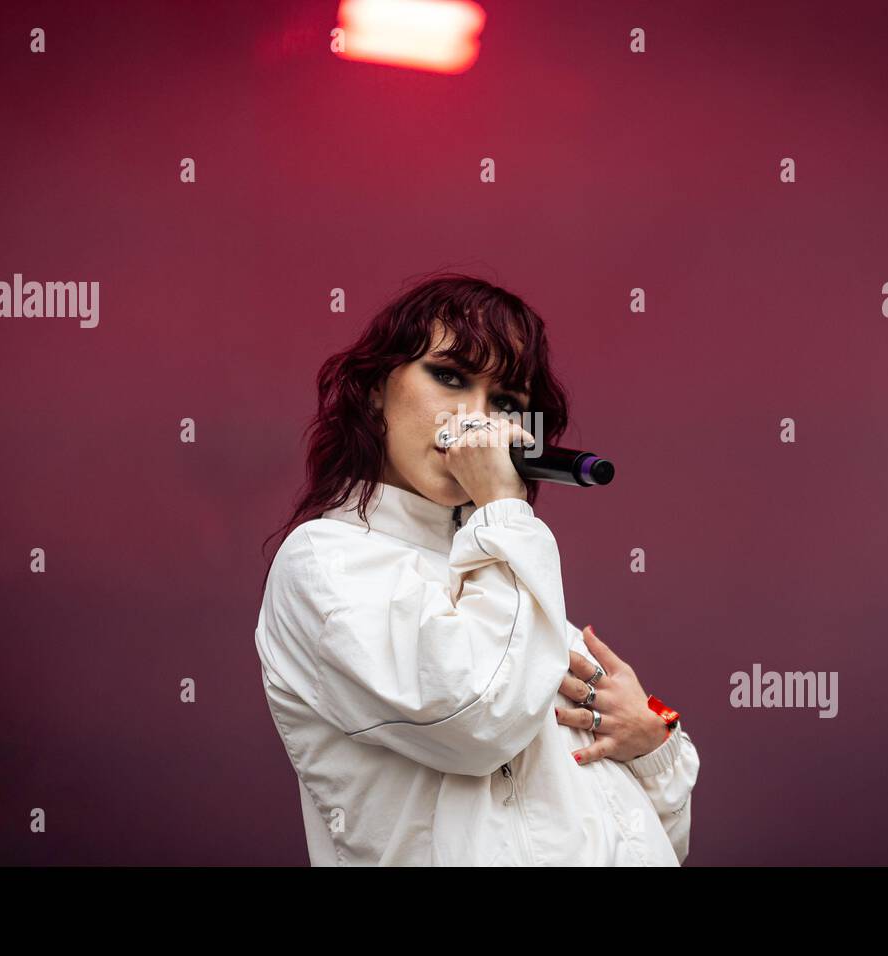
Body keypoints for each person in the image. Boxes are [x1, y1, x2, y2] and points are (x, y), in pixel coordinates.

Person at [254, 273, 700, 865]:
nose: (477, 420)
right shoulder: (324, 563)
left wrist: (653, 739)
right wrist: (503, 510)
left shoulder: (511, 582)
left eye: (506, 404)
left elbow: (660, 838)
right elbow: (477, 719)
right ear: (374, 391)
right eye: (449, 377)